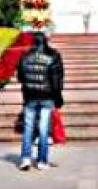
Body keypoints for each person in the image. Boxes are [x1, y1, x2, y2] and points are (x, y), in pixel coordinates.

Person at [16, 32, 64, 171]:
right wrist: (58, 97)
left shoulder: (24, 56)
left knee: (28, 128)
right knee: (43, 129)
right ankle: (42, 161)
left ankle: (25, 158)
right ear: (46, 41)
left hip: (30, 96)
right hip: (47, 96)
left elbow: (20, 77)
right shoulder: (53, 56)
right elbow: (57, 80)